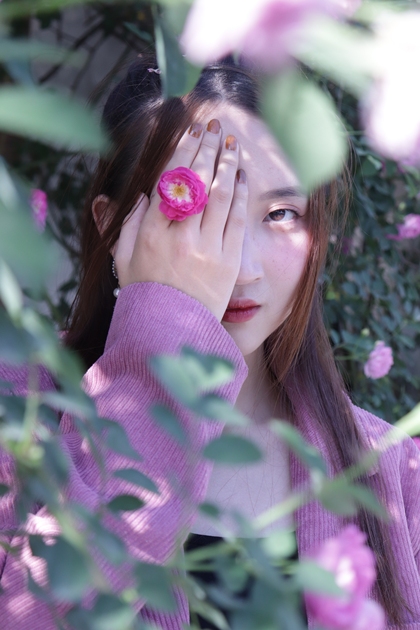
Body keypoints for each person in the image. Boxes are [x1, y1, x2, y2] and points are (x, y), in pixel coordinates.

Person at [0, 55, 419, 629]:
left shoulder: (391, 470)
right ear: (112, 224)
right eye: (193, 207)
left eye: (280, 213)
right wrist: (168, 341)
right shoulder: (20, 412)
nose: (239, 268)